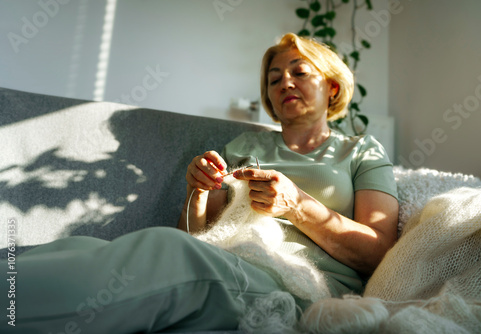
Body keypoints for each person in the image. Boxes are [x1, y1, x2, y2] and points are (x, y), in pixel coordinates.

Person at [0, 33, 398, 334]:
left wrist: (297, 204)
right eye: (275, 79)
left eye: (299, 72)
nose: (285, 84)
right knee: (81, 248)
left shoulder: (359, 151)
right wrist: (198, 191)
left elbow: (380, 251)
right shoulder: (247, 145)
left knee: (169, 252)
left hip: (300, 286)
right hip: (233, 258)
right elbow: (193, 236)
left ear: (331, 87)